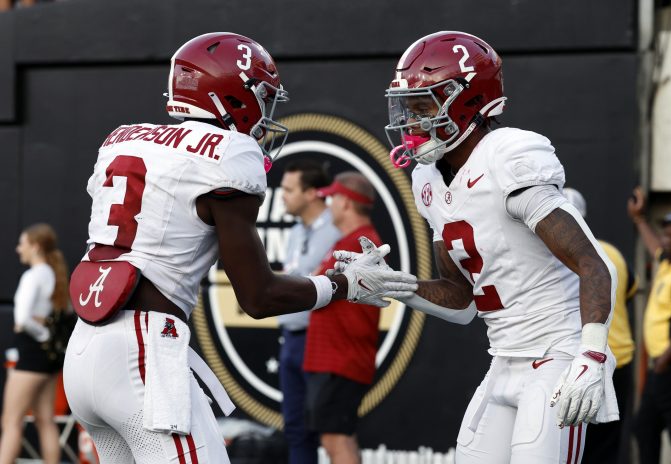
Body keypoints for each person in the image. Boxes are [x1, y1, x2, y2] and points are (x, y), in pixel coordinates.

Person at [62, 32, 416, 464]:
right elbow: (258, 296)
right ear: (234, 96)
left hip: (83, 352)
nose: (267, 112)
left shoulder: (123, 140)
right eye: (264, 96)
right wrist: (343, 285)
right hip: (142, 350)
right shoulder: (227, 155)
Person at [334, 31, 619, 463]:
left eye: (424, 105)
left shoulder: (508, 155)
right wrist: (397, 286)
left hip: (556, 352)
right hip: (502, 357)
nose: (412, 121)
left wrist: (592, 353)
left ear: (470, 100)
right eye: (408, 107)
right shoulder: (426, 180)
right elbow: (463, 299)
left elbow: (593, 265)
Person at [303, 172, 382, 464]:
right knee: (334, 437)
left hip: (341, 359)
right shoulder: (352, 242)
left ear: (347, 203)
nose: (328, 202)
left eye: (333, 197)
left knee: (337, 439)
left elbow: (315, 286)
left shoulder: (361, 246)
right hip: (336, 358)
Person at [563, 188, 638, 464]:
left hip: (579, 361)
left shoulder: (554, 256)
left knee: (571, 447)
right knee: (605, 446)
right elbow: (631, 291)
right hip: (619, 359)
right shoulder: (612, 254)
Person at [627, 187, 671, 463]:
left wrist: (664, 362)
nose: (668, 240)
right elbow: (655, 247)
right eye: (666, 233)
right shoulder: (668, 263)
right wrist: (639, 219)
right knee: (644, 428)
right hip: (664, 367)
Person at [278, 159, 341, 464]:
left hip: (321, 339)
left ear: (313, 193)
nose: (282, 195)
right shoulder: (294, 230)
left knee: (330, 432)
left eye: (289, 189)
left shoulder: (337, 227)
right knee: (296, 428)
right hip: (291, 339)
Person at [0, 223, 69, 464]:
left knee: (11, 421)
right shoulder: (53, 274)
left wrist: (40, 334)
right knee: (45, 419)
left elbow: (21, 319)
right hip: (48, 359)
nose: (19, 249)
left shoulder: (33, 276)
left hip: (31, 354)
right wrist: (46, 335)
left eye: (22, 244)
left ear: (35, 247)